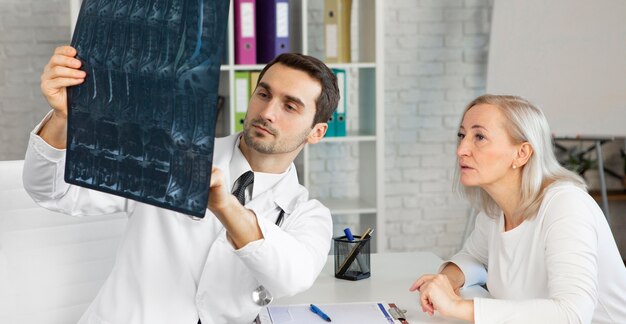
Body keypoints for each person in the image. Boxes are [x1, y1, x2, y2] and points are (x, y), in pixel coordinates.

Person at [23, 46, 340, 324]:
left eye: (290, 106)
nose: (267, 112)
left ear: (317, 132)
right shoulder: (170, 153)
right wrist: (63, 117)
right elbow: (54, 192)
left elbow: (292, 277)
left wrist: (225, 207)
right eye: (264, 94)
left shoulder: (308, 214)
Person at [410, 94, 626, 323]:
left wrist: (458, 306)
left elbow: (572, 313)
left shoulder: (566, 206)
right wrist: (447, 280)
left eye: (479, 137)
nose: (461, 149)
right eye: (462, 135)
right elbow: (475, 257)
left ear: (522, 153)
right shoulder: (495, 210)